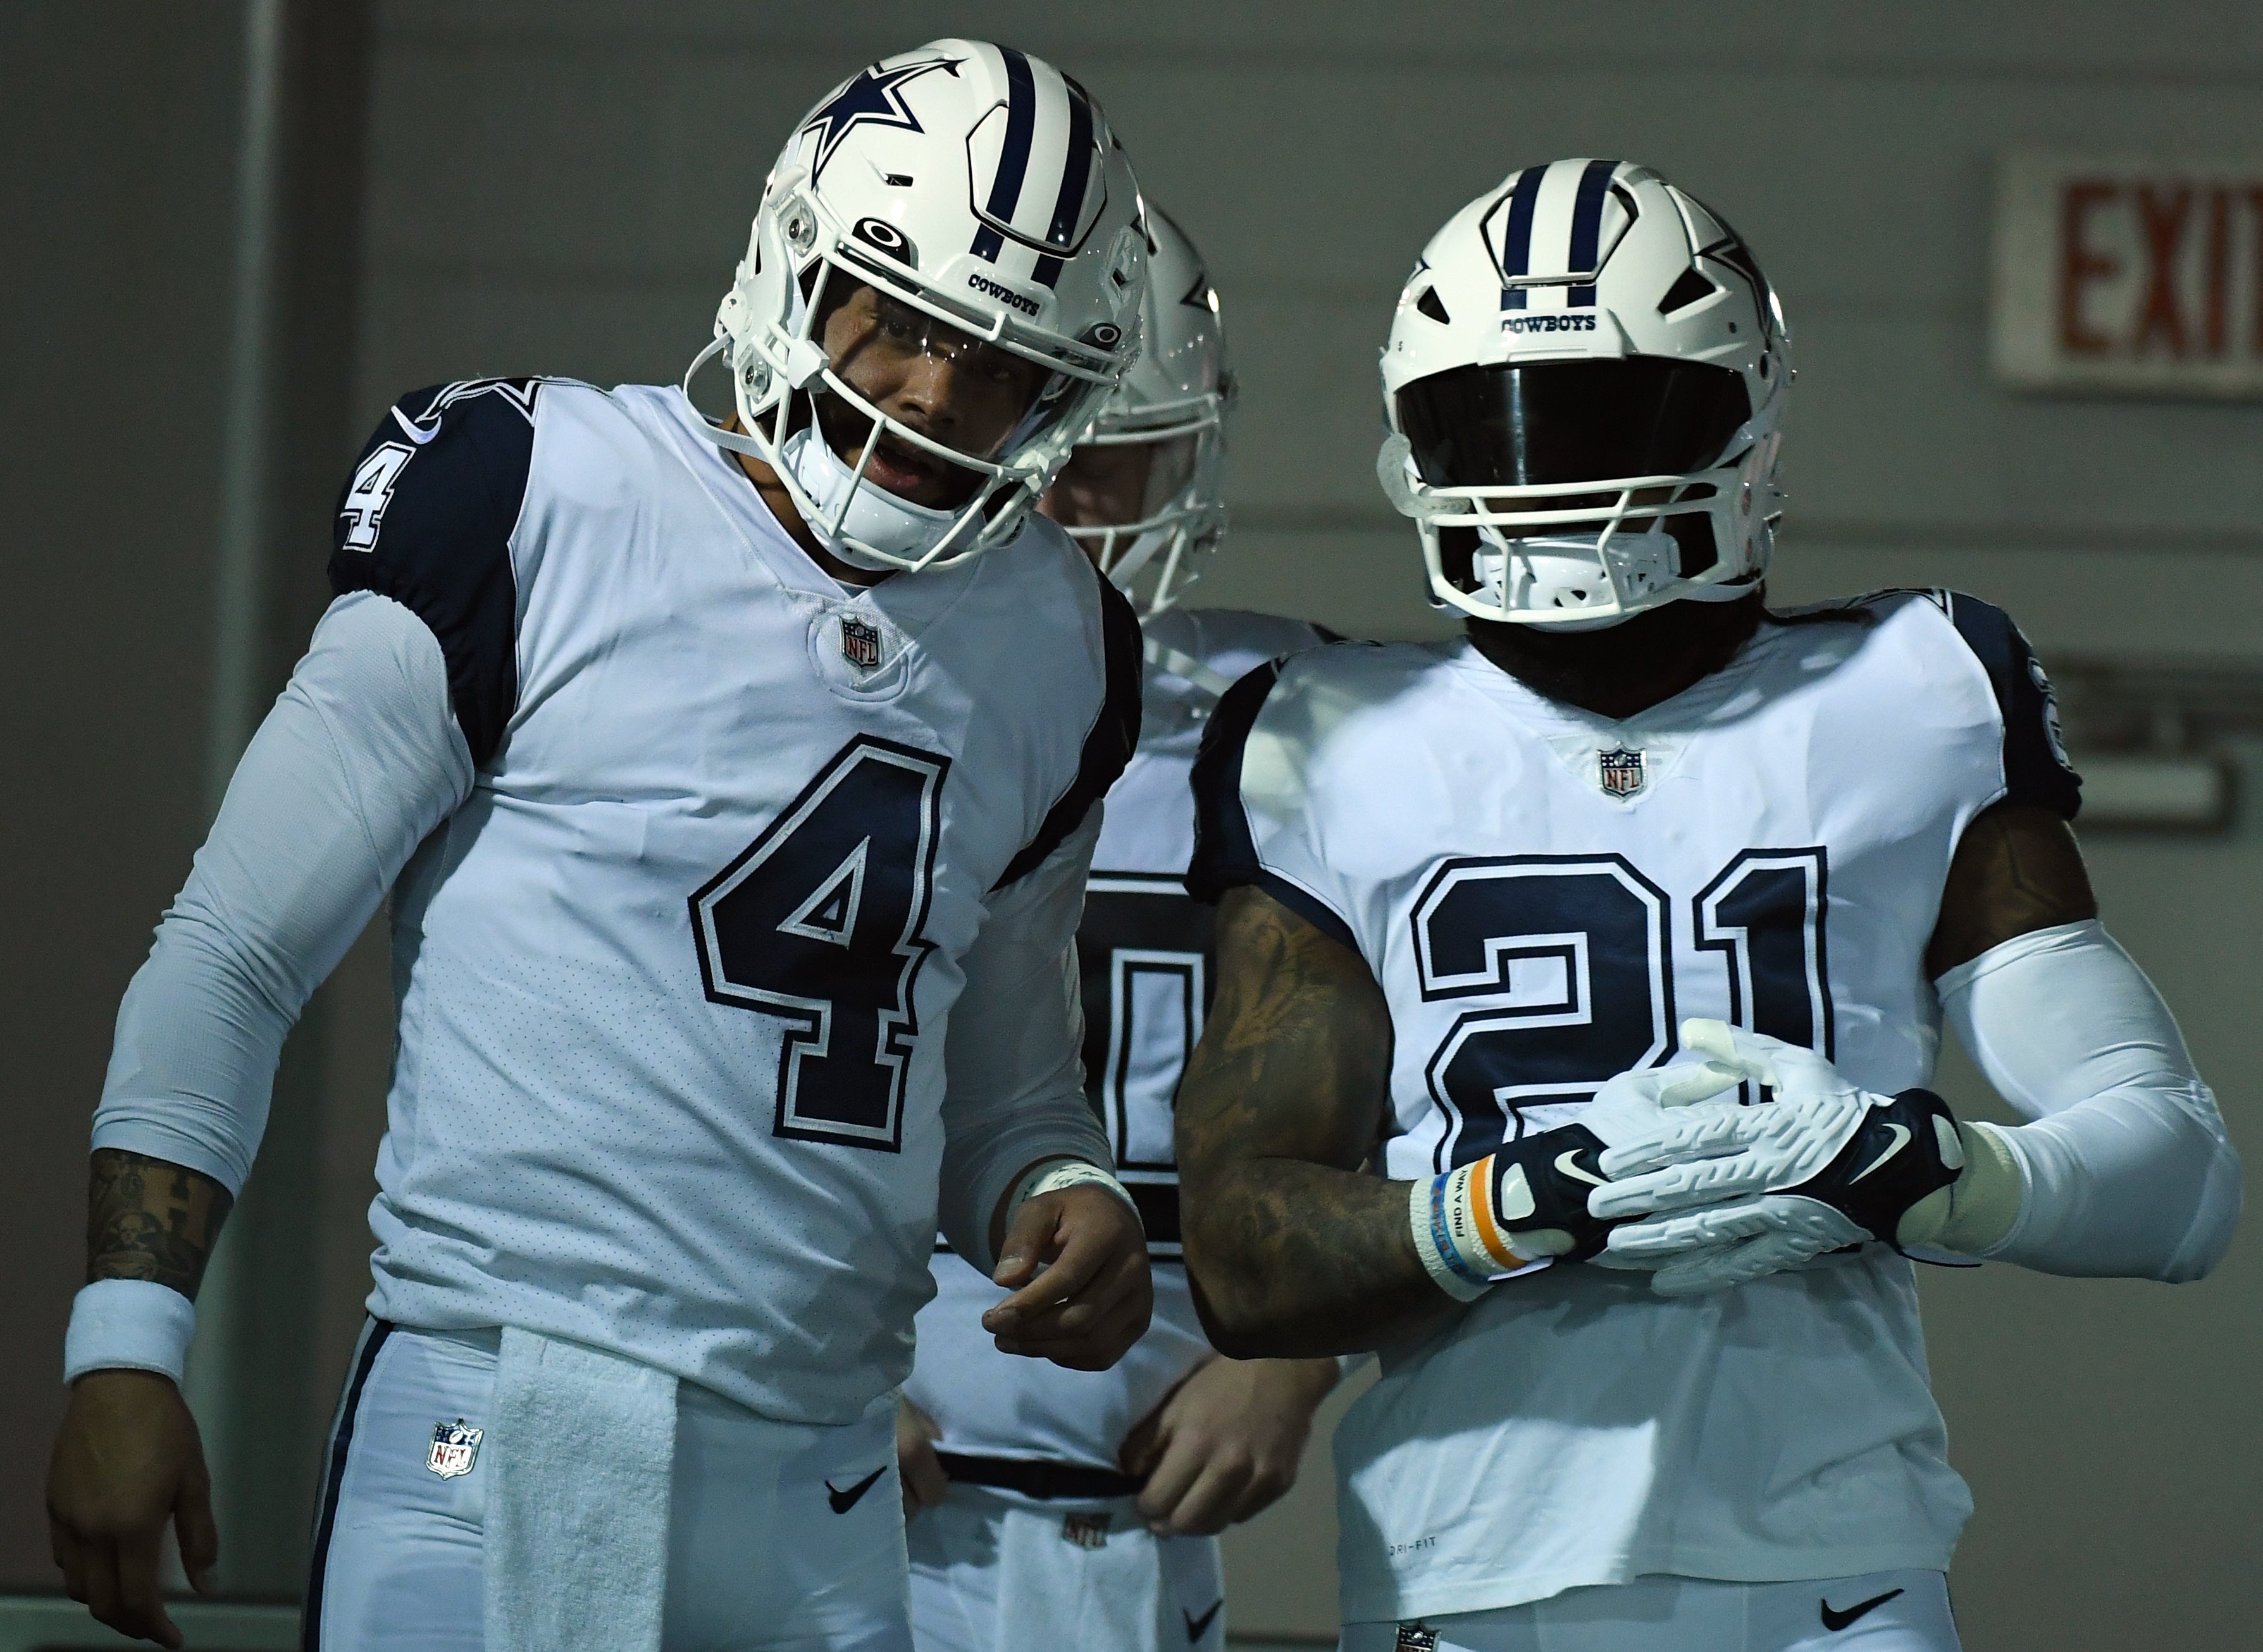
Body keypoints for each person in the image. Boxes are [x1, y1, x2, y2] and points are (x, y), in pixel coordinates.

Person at [47, 40, 1162, 1652]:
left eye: (999, 363)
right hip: (494, 1422)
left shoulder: (1065, 644)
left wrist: (1063, 1184)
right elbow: (232, 947)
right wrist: (129, 1344)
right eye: (904, 320)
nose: (937, 394)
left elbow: (1002, 1080)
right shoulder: (536, 493)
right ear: (792, 266)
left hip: (835, 1477)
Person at [1173, 158, 2241, 1652]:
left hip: (1839, 1567)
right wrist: (1523, 1200)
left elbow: (2177, 1178)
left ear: (1745, 414)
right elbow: (1240, 1253)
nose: (1549, 475)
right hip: (1476, 1576)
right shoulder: (1324, 738)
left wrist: (1904, 1167)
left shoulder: (1910, 694)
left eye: (1610, 418)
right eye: (1494, 423)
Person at [893, 210, 1339, 1652]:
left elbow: (1443, 1072)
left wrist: (1299, 1355)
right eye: (1041, 439)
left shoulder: (1307, 720)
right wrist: (784, 1375)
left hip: (1130, 1519)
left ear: (1186, 449)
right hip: (855, 1482)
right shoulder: (828, 684)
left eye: (1111, 447)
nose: (1068, 495)